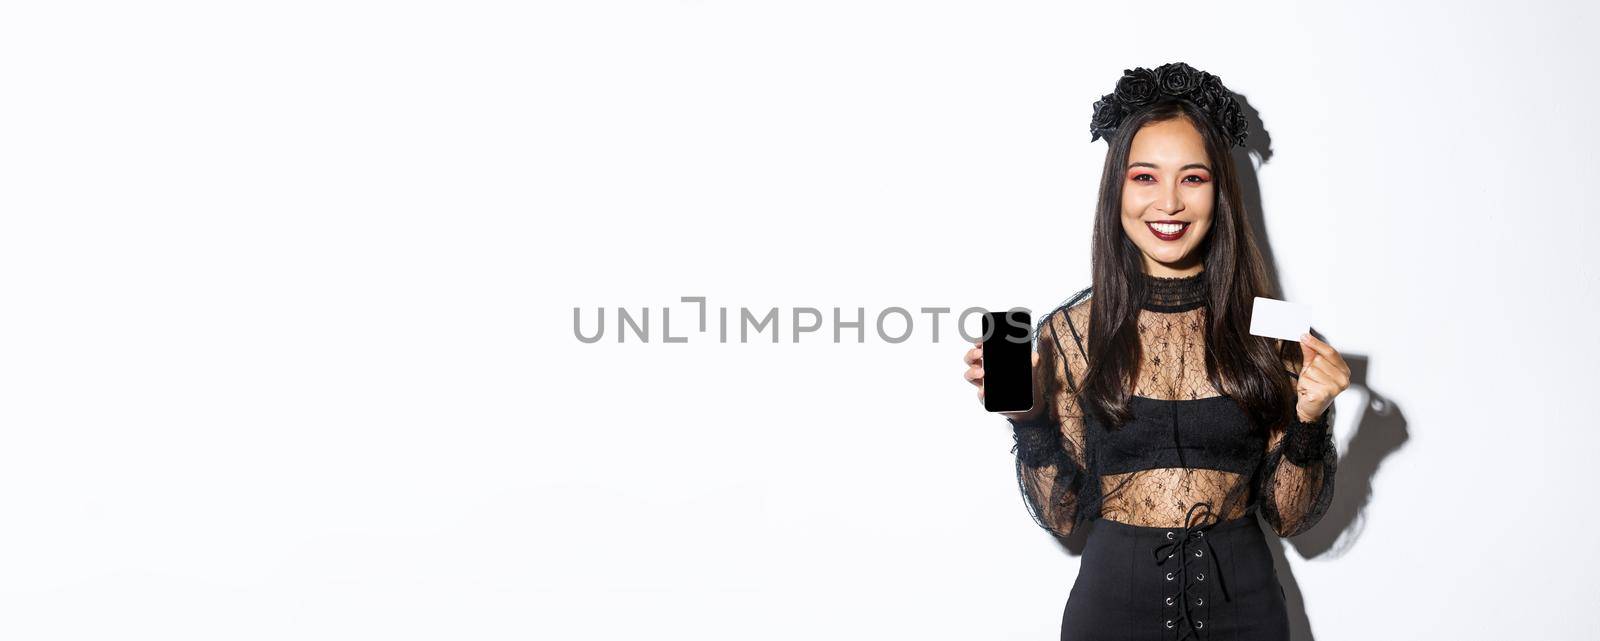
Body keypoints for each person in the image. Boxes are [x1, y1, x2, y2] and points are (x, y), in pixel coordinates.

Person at [961, 62, 1351, 640]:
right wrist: (1030, 417)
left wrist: (1309, 422)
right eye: (1145, 176)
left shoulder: (1276, 331)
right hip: (1110, 614)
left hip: (1247, 615)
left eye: (1192, 178)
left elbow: (1292, 518)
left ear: (1221, 193)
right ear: (1116, 188)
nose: (1168, 203)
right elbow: (1061, 517)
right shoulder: (1067, 332)